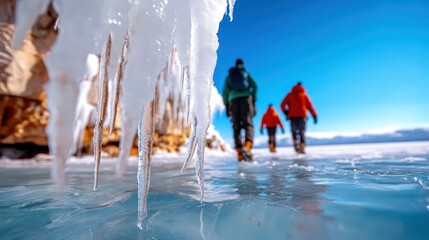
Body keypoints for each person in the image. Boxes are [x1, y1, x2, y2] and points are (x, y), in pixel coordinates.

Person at [222, 58, 257, 161]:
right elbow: (255, 86)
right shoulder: (246, 74)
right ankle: (247, 147)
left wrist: (227, 106)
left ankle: (240, 153)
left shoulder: (229, 76)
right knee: (248, 124)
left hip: (233, 101)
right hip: (246, 99)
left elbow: (225, 92)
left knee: (236, 127)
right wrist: (253, 100)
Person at [280, 82, 317, 154]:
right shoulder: (304, 95)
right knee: (302, 132)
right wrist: (314, 116)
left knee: (294, 131)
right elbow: (310, 107)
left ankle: (295, 146)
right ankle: (302, 147)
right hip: (302, 116)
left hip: (292, 117)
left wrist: (287, 112)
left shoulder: (289, 95)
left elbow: (282, 105)